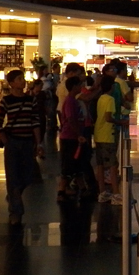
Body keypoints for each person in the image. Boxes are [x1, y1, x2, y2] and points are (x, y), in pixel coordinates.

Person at [0, 70, 44, 225]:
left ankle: (13, 195)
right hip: (13, 142)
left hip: (28, 142)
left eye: (23, 78)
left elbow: (35, 121)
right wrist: (5, 140)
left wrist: (38, 142)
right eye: (19, 79)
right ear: (11, 83)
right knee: (13, 176)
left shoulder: (31, 100)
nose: (23, 81)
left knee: (28, 177)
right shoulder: (6, 101)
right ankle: (16, 212)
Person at [58, 75, 87, 200]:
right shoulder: (70, 101)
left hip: (72, 136)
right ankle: (61, 191)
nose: (81, 87)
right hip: (69, 137)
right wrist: (79, 134)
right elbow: (70, 119)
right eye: (79, 85)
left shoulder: (73, 100)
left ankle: (82, 188)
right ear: (74, 86)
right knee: (69, 164)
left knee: (75, 164)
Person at [93, 74, 120, 203]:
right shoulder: (110, 99)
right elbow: (108, 118)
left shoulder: (100, 98)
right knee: (112, 165)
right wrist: (121, 122)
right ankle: (116, 193)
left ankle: (102, 192)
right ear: (111, 86)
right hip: (108, 135)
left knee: (100, 164)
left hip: (98, 133)